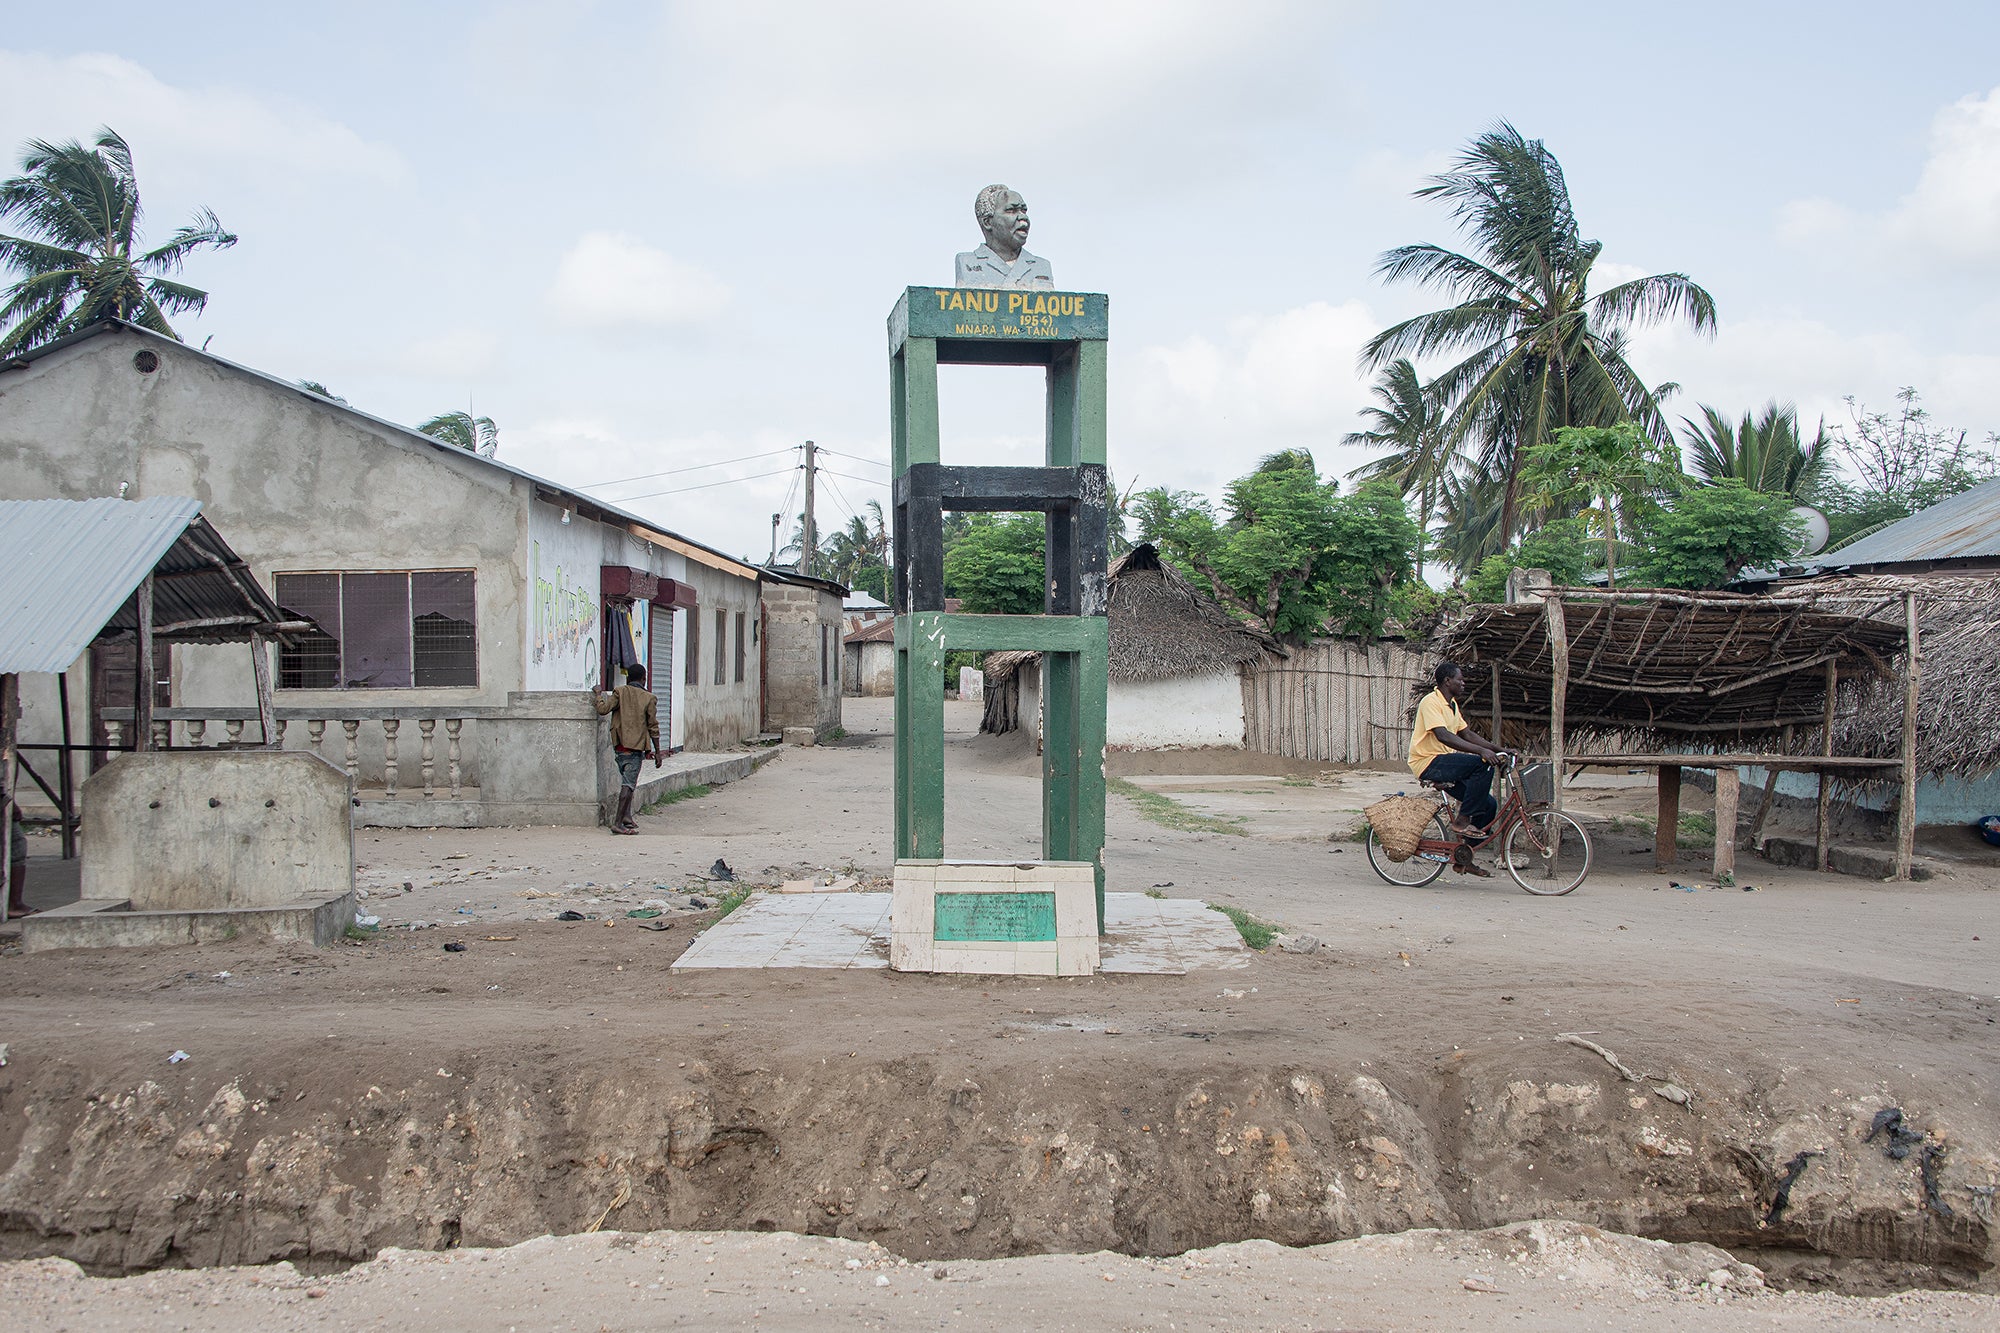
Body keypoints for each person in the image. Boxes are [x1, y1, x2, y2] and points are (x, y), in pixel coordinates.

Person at [1408, 660, 1511, 840]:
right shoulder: (1431, 702)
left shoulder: (1452, 705)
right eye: (1460, 680)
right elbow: (1444, 735)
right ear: (1447, 681)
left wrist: (1500, 749)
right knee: (1483, 763)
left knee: (1489, 805)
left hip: (1444, 762)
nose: (1463, 683)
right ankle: (1462, 820)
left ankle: (1465, 856)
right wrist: (1482, 752)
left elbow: (1467, 734)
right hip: (1428, 762)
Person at [596, 664, 661, 835]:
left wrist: (598, 695)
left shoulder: (619, 692)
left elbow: (603, 709)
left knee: (627, 781)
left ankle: (626, 817)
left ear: (627, 678)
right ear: (644, 678)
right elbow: (653, 727)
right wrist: (658, 752)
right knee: (628, 786)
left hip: (619, 746)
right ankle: (618, 823)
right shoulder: (649, 698)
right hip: (636, 748)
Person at [954, 185, 1055, 288]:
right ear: (987, 222)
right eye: (1011, 210)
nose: (1023, 217)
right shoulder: (967, 262)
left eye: (1024, 210)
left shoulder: (1041, 266)